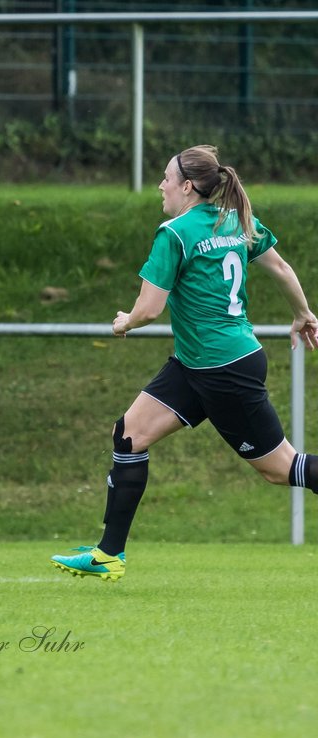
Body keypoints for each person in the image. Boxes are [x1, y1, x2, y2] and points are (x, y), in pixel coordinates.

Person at [52, 145, 318, 581]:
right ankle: (108, 555)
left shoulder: (173, 234)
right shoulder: (234, 220)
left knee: (281, 469)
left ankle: (109, 553)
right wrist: (303, 314)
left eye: (166, 178)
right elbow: (283, 269)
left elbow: (148, 309)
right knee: (130, 434)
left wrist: (123, 324)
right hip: (200, 364)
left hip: (223, 370)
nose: (161, 185)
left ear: (187, 187)